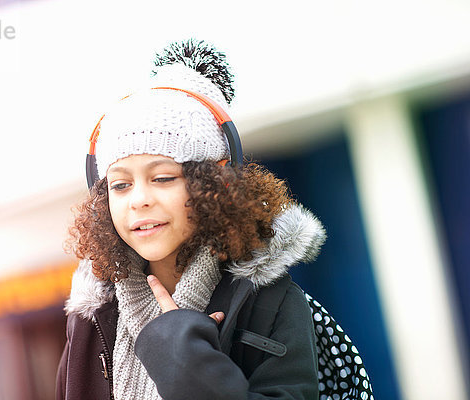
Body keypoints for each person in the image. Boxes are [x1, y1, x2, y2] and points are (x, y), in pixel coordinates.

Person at [56, 39, 326, 400]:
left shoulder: (269, 303)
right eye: (120, 185)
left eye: (163, 178)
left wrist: (179, 349)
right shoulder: (92, 317)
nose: (139, 200)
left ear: (210, 187)